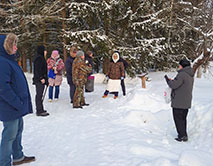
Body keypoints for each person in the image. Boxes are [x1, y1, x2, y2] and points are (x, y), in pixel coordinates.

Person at [0, 33, 35, 166]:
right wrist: (16, 102)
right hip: (9, 106)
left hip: (15, 105)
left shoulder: (10, 60)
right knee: (9, 136)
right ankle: (4, 162)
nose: (15, 47)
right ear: (5, 47)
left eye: (15, 44)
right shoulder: (2, 62)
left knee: (18, 130)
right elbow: (2, 87)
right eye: (12, 45)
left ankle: (18, 156)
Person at [164, 58, 194, 142]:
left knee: (178, 119)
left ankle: (182, 136)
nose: (178, 66)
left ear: (183, 66)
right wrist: (173, 81)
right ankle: (183, 134)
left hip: (179, 101)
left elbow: (174, 85)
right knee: (183, 119)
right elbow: (180, 84)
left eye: (179, 65)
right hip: (186, 101)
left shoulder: (182, 74)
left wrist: (168, 80)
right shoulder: (190, 74)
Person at [33, 45, 49, 117]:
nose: (46, 52)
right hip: (39, 80)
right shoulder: (39, 58)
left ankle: (40, 108)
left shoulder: (42, 58)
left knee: (40, 94)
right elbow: (37, 70)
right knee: (39, 95)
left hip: (41, 79)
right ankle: (39, 110)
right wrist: (41, 78)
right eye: (45, 50)